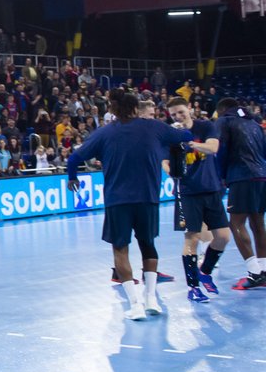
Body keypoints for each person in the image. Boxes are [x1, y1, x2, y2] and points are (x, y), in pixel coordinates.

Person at [67, 89, 192, 320]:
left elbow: (74, 158)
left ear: (113, 109)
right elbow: (185, 136)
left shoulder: (103, 133)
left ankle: (134, 304)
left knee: (120, 250)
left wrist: (72, 178)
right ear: (136, 108)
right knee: (148, 245)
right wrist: (185, 123)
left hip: (117, 200)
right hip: (148, 198)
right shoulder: (153, 127)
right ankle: (151, 298)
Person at [165, 98, 228, 302]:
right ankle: (193, 288)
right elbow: (164, 163)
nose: (178, 117)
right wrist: (173, 170)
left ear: (189, 109)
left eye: (181, 112)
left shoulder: (205, 126)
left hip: (211, 188)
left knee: (223, 237)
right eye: (174, 115)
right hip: (187, 192)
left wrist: (191, 144)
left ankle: (205, 271)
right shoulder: (170, 135)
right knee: (191, 238)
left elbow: (213, 148)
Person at [213, 97, 266, 290]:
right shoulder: (255, 123)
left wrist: (221, 176)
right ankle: (264, 270)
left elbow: (220, 150)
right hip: (262, 176)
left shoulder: (224, 121)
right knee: (258, 223)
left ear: (221, 110)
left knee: (235, 223)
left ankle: (254, 272)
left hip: (241, 175)